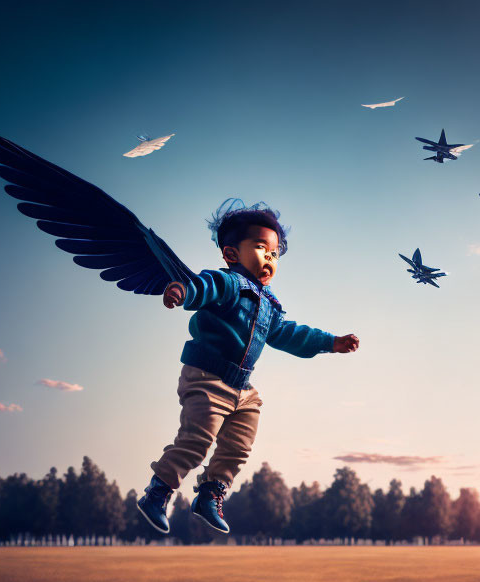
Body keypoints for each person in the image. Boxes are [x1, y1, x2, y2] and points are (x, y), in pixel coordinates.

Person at [136, 200, 359, 534]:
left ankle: (210, 495)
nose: (269, 258)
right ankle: (158, 492)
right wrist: (183, 291)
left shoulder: (269, 306)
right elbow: (202, 287)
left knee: (239, 445)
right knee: (196, 441)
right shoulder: (227, 284)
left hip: (242, 388)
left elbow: (289, 334)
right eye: (261, 248)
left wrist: (329, 342)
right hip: (207, 378)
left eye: (275, 254)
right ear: (231, 254)